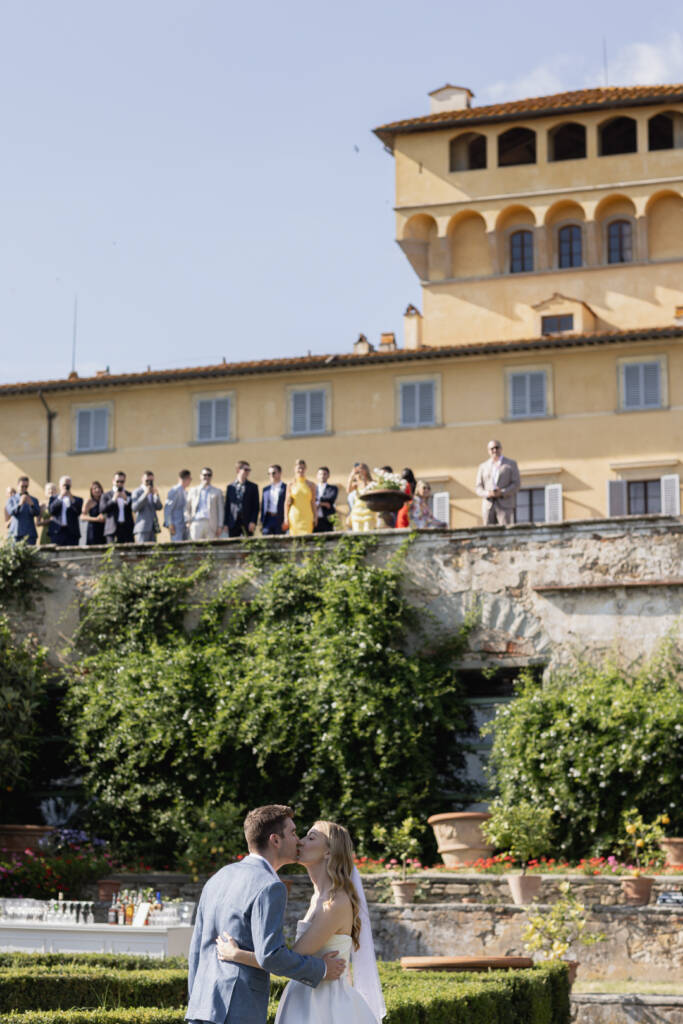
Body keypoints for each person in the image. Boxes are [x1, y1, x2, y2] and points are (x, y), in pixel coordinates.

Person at [186, 804, 346, 1024]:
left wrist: (195, 1003)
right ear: (275, 840)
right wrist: (322, 968)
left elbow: (196, 950)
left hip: (201, 1008)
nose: (298, 840)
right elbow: (271, 955)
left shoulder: (218, 878)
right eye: (292, 832)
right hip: (238, 1011)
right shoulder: (271, 886)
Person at [216, 818, 385, 1024]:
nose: (301, 842)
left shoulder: (335, 902)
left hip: (325, 1006)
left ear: (328, 852)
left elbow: (289, 957)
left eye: (311, 838)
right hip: (303, 996)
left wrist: (237, 954)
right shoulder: (318, 897)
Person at [475, 440, 521, 525]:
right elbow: (478, 488)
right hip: (488, 506)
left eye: (497, 447)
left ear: (501, 448)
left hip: (505, 505)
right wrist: (488, 493)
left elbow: (516, 484)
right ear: (488, 451)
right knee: (488, 533)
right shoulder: (483, 467)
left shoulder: (511, 464)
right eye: (492, 448)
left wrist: (502, 492)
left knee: (505, 533)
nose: (494, 450)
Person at [186, 468, 224, 541]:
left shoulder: (217, 491)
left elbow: (220, 510)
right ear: (200, 476)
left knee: (210, 548)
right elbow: (187, 508)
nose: (207, 477)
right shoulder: (193, 490)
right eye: (204, 475)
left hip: (211, 523)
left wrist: (220, 526)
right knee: (195, 547)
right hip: (196, 522)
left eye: (209, 475)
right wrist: (188, 521)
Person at [225, 461, 260, 538]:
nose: (248, 472)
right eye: (245, 469)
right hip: (233, 522)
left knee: (249, 545)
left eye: (249, 470)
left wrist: (253, 521)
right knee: (233, 546)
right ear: (238, 470)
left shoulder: (253, 487)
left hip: (247, 522)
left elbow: (256, 506)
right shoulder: (230, 487)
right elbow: (227, 506)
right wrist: (226, 523)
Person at [284, 459, 317, 535]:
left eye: (302, 468)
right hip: (294, 517)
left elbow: (313, 502)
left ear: (305, 469)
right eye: (299, 468)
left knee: (307, 538)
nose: (300, 470)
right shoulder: (290, 484)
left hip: (307, 517)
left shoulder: (311, 485)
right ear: (295, 469)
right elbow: (286, 503)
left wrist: (315, 516)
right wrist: (286, 518)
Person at [49, 475, 84, 546]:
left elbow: (78, 511)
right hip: (57, 532)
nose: (66, 487)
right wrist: (60, 497)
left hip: (72, 533)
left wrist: (71, 498)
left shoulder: (77, 499)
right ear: (60, 486)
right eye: (64, 485)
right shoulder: (53, 498)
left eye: (68, 485)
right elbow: (51, 510)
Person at [102, 472, 135, 544]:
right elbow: (102, 509)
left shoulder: (129, 494)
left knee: (128, 553)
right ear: (113, 481)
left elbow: (134, 508)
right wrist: (113, 499)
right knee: (111, 552)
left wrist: (126, 499)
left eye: (122, 482)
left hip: (126, 529)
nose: (119, 483)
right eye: (117, 481)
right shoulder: (106, 495)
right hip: (112, 529)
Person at [7, 476, 41, 544]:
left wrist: (31, 504)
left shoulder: (34, 499)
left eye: (26, 487)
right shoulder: (11, 499)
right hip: (16, 533)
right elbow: (11, 512)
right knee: (15, 554)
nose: (24, 488)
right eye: (22, 486)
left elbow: (37, 513)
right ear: (18, 486)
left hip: (30, 534)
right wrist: (19, 504)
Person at [131, 471, 163, 543]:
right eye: (147, 480)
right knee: (142, 552)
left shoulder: (153, 491)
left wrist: (156, 495)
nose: (149, 482)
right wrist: (145, 494)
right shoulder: (137, 492)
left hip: (153, 527)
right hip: (142, 528)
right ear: (142, 479)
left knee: (153, 552)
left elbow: (159, 507)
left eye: (151, 481)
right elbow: (134, 508)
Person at [347, 464, 377, 533]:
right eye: (358, 469)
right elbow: (348, 490)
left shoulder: (373, 483)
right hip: (357, 511)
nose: (359, 470)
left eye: (361, 468)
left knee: (368, 532)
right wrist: (351, 476)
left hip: (368, 511)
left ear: (366, 470)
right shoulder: (357, 484)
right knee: (357, 532)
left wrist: (364, 480)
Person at [164, 469, 192, 542]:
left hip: (184, 526)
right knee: (177, 547)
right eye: (190, 479)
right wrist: (170, 524)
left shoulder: (185, 492)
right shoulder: (174, 491)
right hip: (175, 526)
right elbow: (168, 509)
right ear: (187, 478)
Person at [261, 464, 286, 536]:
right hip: (268, 519)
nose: (271, 475)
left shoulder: (286, 488)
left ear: (280, 473)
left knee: (280, 542)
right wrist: (262, 521)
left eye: (274, 473)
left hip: (280, 519)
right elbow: (263, 506)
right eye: (269, 473)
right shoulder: (266, 489)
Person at [81, 481, 106, 546]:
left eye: (99, 488)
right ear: (91, 491)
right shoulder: (89, 501)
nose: (97, 490)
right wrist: (96, 519)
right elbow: (82, 516)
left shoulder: (105, 500)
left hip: (104, 529)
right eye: (94, 488)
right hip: (93, 529)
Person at [314, 467, 338, 533]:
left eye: (325, 474)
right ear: (317, 476)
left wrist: (317, 503)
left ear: (328, 476)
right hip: (315, 520)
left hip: (327, 520)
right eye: (320, 474)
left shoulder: (333, 488)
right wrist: (324, 503)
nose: (322, 476)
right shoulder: (313, 488)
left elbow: (330, 498)